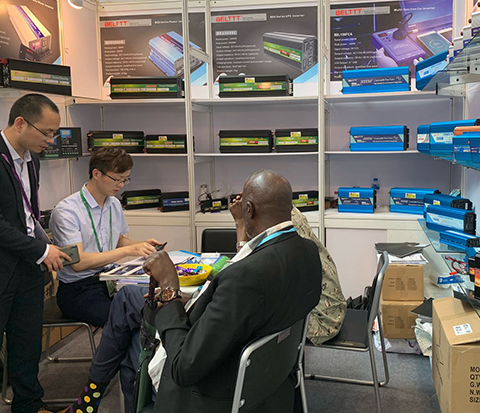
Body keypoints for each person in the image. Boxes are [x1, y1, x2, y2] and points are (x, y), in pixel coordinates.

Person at [59, 169, 322, 413]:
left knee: (132, 341)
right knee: (130, 306)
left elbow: (184, 367)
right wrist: (191, 297)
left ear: (249, 209)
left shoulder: (244, 280)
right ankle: (92, 395)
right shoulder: (306, 252)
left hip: (210, 391)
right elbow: (242, 291)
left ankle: (92, 395)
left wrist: (170, 288)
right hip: (268, 382)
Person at [0, 94, 71, 413]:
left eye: (54, 133)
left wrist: (47, 247)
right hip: (4, 267)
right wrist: (40, 250)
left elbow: (27, 216)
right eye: (46, 132)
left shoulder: (32, 161)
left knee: (26, 343)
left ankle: (29, 405)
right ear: (20, 123)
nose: (51, 140)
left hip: (28, 267)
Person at [49, 147, 161, 327]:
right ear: (96, 174)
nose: (121, 185)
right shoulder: (67, 211)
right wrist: (128, 250)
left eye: (125, 180)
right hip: (79, 289)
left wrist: (141, 245)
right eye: (117, 179)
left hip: (110, 279)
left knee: (155, 308)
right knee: (127, 321)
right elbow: (78, 263)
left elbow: (118, 241)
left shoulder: (113, 203)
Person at [230, 197, 346, 345]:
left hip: (321, 319)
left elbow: (242, 277)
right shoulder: (284, 213)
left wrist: (240, 224)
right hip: (328, 308)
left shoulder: (278, 228)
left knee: (244, 315)